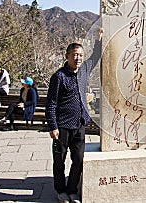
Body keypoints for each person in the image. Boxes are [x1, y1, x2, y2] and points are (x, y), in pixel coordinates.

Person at [46, 28, 102, 203]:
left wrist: (98, 40)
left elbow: (95, 57)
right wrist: (52, 126)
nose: (78, 58)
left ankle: (72, 190)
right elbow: (51, 103)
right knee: (59, 161)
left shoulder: (83, 72)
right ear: (67, 56)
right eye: (74, 55)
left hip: (79, 124)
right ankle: (60, 190)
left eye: (80, 55)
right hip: (62, 126)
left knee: (78, 160)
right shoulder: (59, 77)